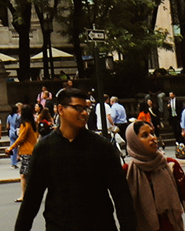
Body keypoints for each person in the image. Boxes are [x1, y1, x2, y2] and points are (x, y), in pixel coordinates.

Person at [12, 87, 134, 231]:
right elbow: (32, 199)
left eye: (85, 109)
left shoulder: (101, 147)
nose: (83, 113)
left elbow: (121, 195)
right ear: (60, 109)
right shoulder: (45, 148)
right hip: (58, 225)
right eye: (77, 108)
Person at [124, 120, 185, 231]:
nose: (152, 138)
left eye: (152, 133)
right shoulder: (128, 172)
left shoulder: (170, 165)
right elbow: (124, 210)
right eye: (145, 135)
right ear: (134, 142)